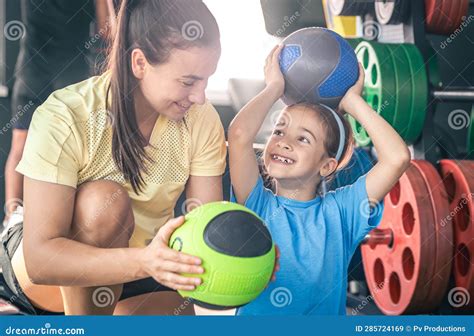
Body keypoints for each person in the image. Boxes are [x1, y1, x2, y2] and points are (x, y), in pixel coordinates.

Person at [0, 0, 227, 315]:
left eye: (207, 79)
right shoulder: (66, 114)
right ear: (139, 63)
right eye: (188, 81)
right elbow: (42, 260)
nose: (200, 96)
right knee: (106, 201)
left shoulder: (202, 119)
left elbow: (205, 230)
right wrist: (142, 262)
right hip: (49, 269)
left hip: (142, 262)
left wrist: (245, 263)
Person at [227, 45, 411, 314]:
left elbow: (397, 158)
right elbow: (240, 134)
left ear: (327, 166)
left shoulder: (342, 212)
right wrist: (275, 87)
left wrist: (352, 103)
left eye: (303, 139)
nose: (284, 143)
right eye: (278, 131)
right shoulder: (255, 204)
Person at [3, 0, 116, 229]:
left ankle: (12, 221)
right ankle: (31, 222)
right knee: (80, 151)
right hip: (68, 69)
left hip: (37, 68)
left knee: (21, 146)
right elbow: (107, 30)